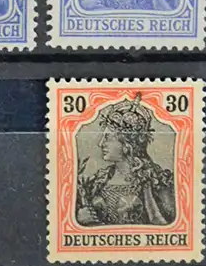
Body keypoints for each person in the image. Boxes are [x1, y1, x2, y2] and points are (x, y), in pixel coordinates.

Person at [72, 95, 178, 228]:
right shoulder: (99, 180)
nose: (101, 144)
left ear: (126, 145)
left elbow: (164, 225)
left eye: (108, 138)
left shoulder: (154, 181)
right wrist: (81, 218)